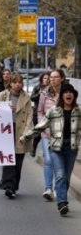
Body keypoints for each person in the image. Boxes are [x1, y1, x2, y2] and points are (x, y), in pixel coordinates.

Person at [21, 83, 81, 216]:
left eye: (71, 92)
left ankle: (61, 199)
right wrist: (25, 137)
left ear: (74, 96)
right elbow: (40, 126)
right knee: (60, 175)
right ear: (62, 96)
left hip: (71, 148)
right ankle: (62, 203)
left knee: (66, 177)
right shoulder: (54, 110)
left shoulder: (78, 112)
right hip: (56, 148)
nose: (68, 94)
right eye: (66, 92)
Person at [0, 73, 32, 198]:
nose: (18, 84)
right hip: (6, 130)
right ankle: (9, 186)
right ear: (10, 83)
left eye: (20, 82)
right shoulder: (3, 95)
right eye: (15, 82)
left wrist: (26, 133)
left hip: (20, 131)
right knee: (8, 159)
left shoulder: (26, 97)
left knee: (18, 161)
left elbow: (29, 116)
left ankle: (13, 186)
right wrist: (5, 109)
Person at [37, 69, 65, 200]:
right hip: (47, 133)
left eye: (55, 77)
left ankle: (57, 188)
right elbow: (40, 111)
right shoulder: (44, 93)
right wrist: (43, 126)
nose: (52, 79)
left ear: (62, 79)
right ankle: (48, 188)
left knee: (59, 162)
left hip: (62, 134)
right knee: (48, 160)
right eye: (51, 77)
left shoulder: (67, 93)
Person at [29, 72, 50, 158]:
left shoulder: (52, 89)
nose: (46, 80)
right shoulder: (37, 87)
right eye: (45, 78)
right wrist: (39, 93)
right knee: (39, 132)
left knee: (47, 132)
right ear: (42, 79)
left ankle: (47, 150)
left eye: (48, 78)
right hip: (37, 113)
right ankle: (34, 147)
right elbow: (32, 98)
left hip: (48, 113)